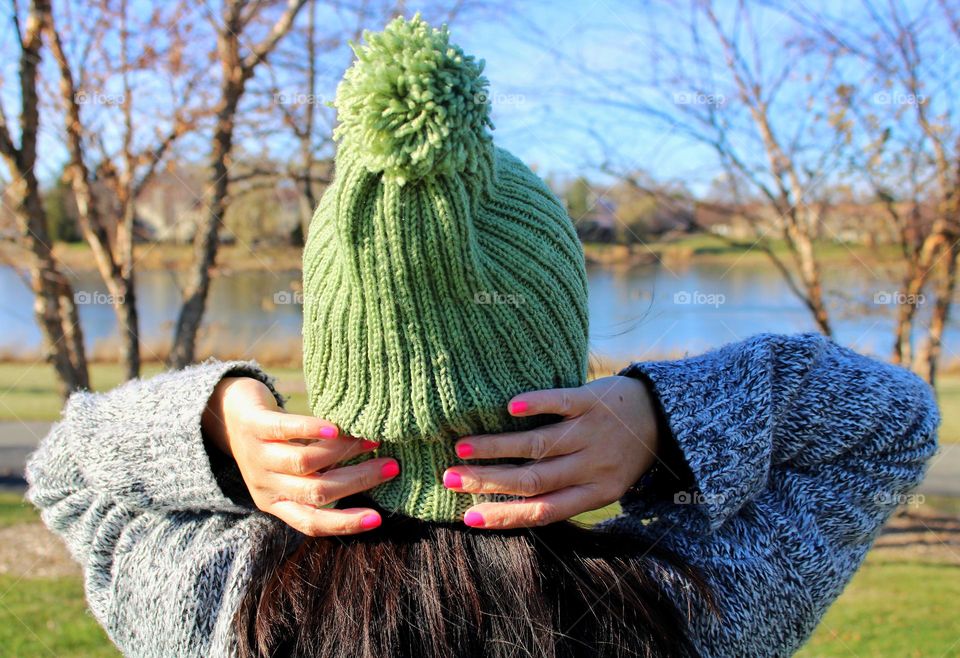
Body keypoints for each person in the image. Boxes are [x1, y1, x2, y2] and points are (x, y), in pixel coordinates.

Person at [27, 15, 939, 658]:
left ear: (339, 356)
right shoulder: (693, 607)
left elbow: (68, 468)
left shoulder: (224, 612)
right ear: (559, 365)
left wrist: (218, 431)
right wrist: (658, 427)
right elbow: (889, 425)